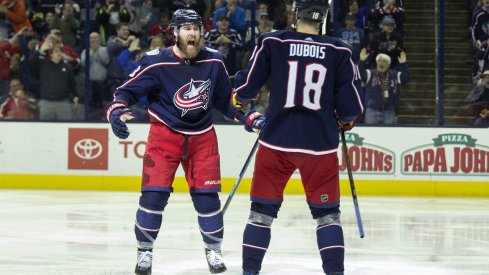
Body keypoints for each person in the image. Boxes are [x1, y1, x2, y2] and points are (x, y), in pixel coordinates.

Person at [106, 9, 253, 275]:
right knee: (153, 197)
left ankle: (213, 249)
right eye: (186, 29)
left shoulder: (215, 61)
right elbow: (125, 91)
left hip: (203, 139)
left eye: (196, 28)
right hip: (164, 137)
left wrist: (248, 116)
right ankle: (144, 252)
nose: (192, 34)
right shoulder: (155, 61)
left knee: (208, 200)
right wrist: (116, 111)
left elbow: (225, 101)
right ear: (175, 33)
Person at [232, 0, 364, 274]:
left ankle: (249, 271)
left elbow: (247, 88)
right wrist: (344, 121)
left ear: (295, 14)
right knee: (327, 217)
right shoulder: (340, 50)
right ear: (323, 18)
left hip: (276, 142)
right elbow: (352, 109)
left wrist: (238, 99)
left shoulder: (272, 42)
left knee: (261, 213)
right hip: (320, 146)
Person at [359, 50, 408, 124]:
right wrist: (361, 61)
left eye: (384, 61)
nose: (381, 63)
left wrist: (404, 64)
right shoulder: (370, 73)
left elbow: (405, 79)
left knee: (389, 134)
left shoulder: (395, 74)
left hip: (389, 111)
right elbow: (359, 75)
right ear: (376, 63)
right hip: (372, 111)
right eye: (379, 61)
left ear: (388, 64)